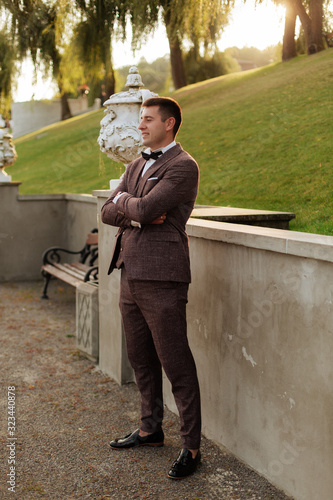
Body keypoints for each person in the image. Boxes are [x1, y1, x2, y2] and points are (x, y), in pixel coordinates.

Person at [101, 96, 201, 479]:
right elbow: (110, 212)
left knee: (176, 363)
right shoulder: (137, 163)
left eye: (147, 119)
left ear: (170, 123)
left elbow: (135, 210)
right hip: (130, 273)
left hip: (163, 277)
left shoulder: (183, 166)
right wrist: (134, 207)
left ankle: (191, 446)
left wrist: (131, 207)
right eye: (140, 119)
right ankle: (150, 429)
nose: (140, 125)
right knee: (140, 357)